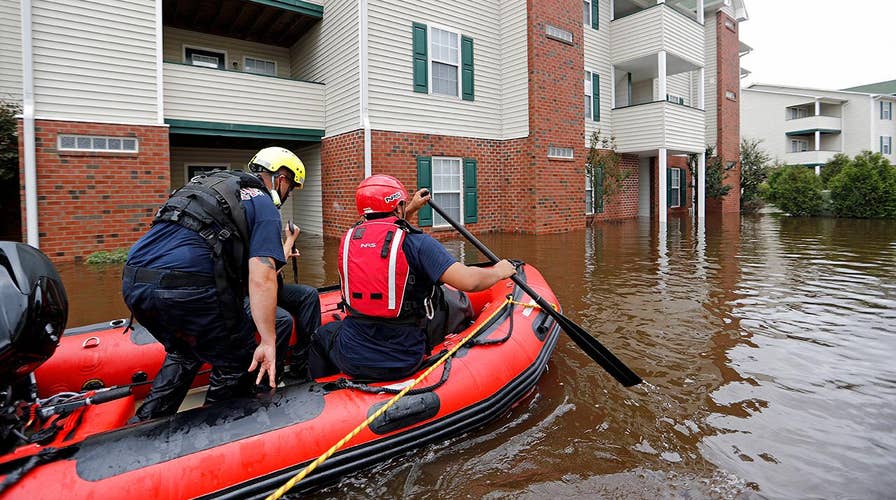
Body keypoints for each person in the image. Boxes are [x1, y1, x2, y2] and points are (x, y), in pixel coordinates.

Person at [122, 146, 306, 421]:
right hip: (187, 288)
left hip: (134, 281)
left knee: (184, 353)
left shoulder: (215, 187)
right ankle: (216, 431)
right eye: (290, 186)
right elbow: (262, 275)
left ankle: (146, 424)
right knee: (237, 361)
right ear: (281, 177)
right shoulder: (263, 203)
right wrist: (268, 341)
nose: (287, 193)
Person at [308, 174, 517, 381]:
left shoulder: (350, 240)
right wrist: (500, 270)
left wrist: (413, 208)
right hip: (402, 357)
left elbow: (382, 229)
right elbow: (470, 281)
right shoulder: (418, 244)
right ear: (398, 206)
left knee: (321, 336)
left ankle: (315, 389)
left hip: (352, 354)